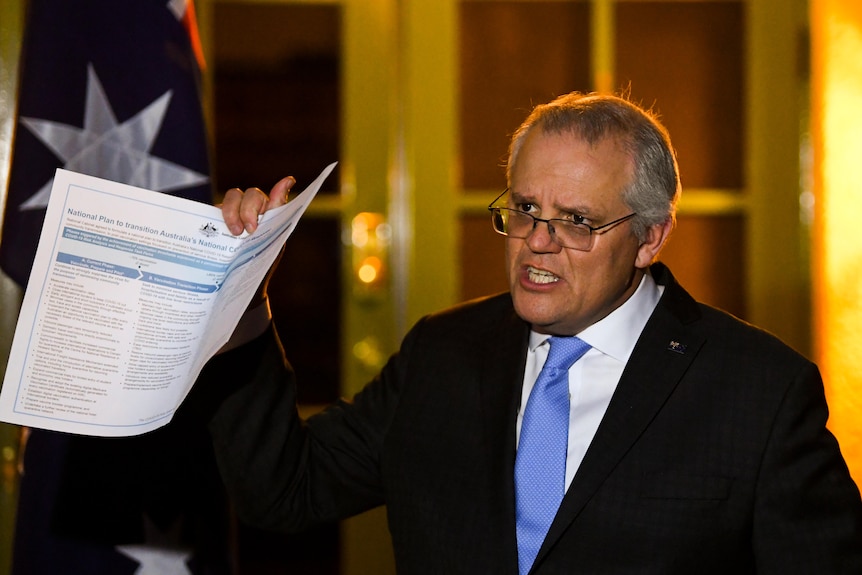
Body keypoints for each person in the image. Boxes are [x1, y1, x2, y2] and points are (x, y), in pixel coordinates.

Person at [207, 92, 862, 574]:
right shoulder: (444, 353)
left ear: (649, 237)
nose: (537, 244)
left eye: (577, 220)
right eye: (525, 209)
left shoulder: (760, 392)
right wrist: (242, 303)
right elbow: (282, 489)